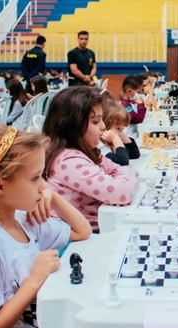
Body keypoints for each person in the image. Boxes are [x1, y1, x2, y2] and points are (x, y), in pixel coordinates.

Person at [0, 125, 92, 328]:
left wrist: (53, 197)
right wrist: (34, 279)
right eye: (35, 178)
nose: (42, 186)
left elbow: (82, 231)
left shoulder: (23, 221)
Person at [42, 86, 139, 231]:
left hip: (97, 227)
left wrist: (124, 174)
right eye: (95, 122)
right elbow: (123, 192)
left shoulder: (88, 151)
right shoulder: (68, 161)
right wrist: (127, 174)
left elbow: (118, 169)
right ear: (71, 126)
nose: (103, 126)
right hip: (76, 238)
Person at [99, 95, 140, 166]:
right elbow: (122, 162)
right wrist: (115, 139)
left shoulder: (112, 138)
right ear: (104, 125)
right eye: (118, 128)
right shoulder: (100, 146)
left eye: (122, 128)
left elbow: (134, 154)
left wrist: (121, 133)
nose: (120, 133)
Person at [119, 74, 147, 138]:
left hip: (132, 136)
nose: (140, 95)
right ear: (129, 91)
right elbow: (138, 119)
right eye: (138, 92)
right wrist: (141, 105)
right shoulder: (125, 106)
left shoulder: (128, 102)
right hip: (128, 137)